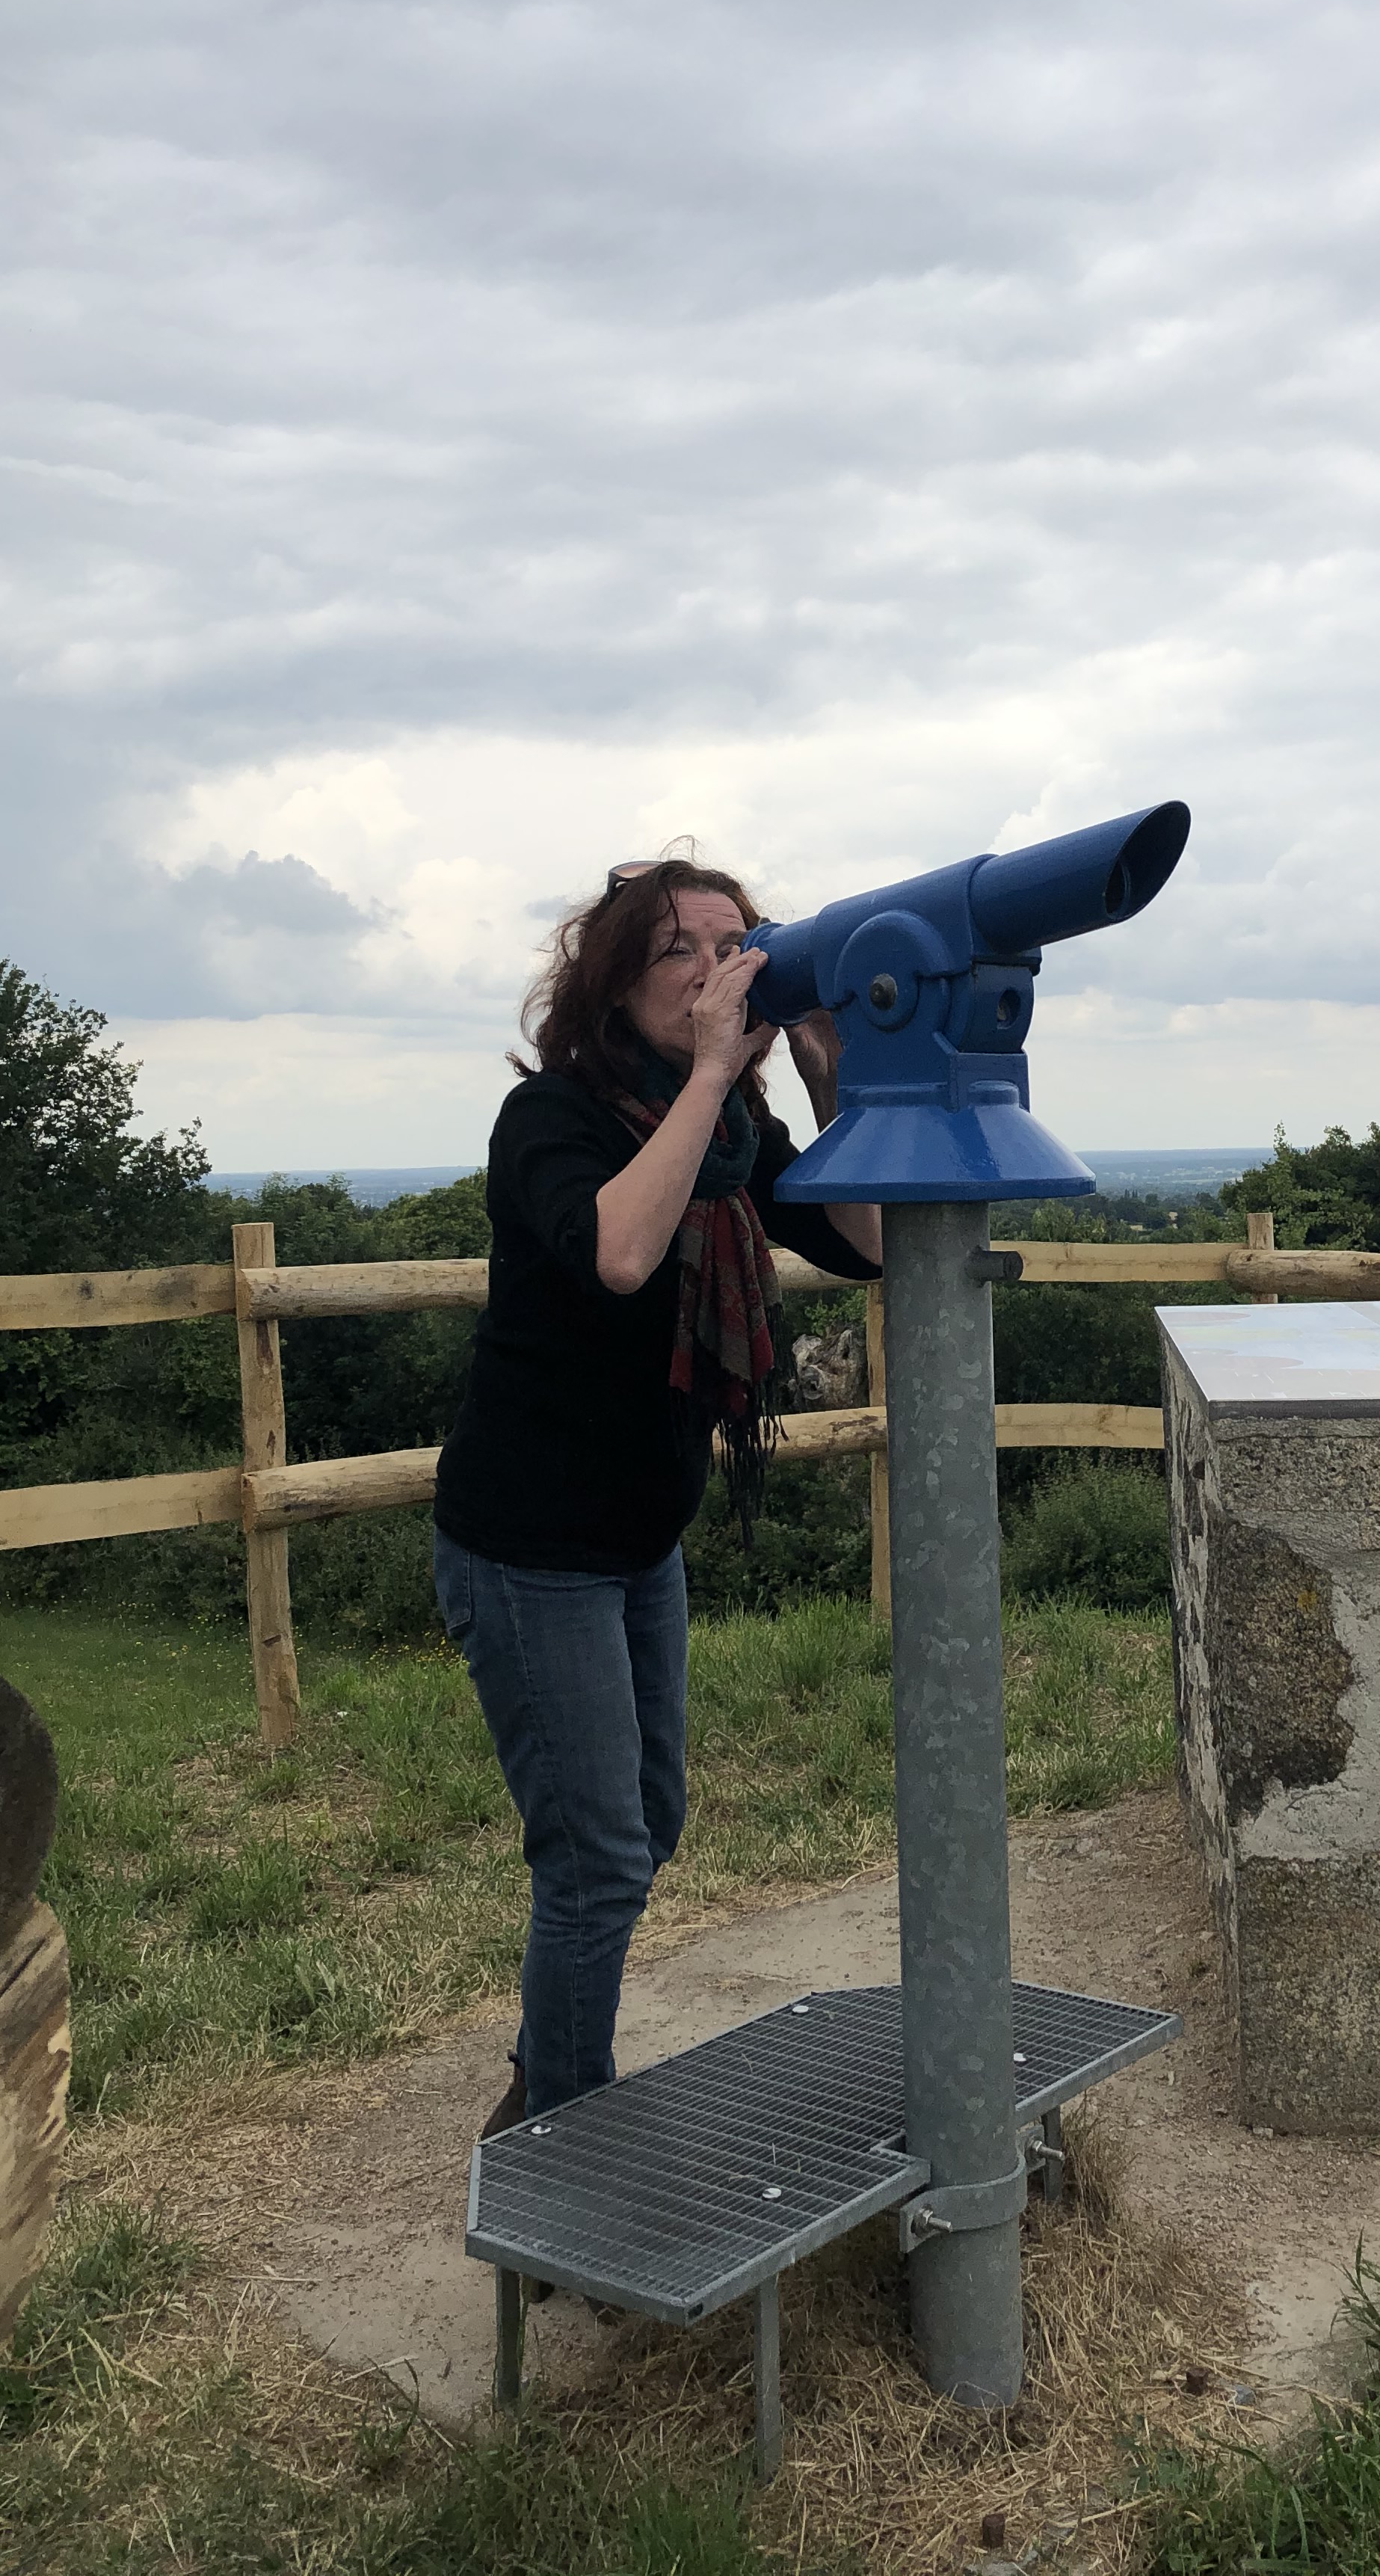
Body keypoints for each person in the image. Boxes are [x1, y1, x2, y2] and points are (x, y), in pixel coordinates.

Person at [432, 855, 882, 2139]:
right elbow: (624, 1251)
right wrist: (706, 1075)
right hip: (527, 1548)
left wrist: (823, 1071)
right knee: (599, 1859)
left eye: (735, 943)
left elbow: (867, 1245)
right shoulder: (555, 1124)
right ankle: (558, 2129)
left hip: (638, 1540)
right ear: (615, 983)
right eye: (681, 949)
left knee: (647, 1825)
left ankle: (544, 2069)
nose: (715, 967)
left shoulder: (738, 1137)